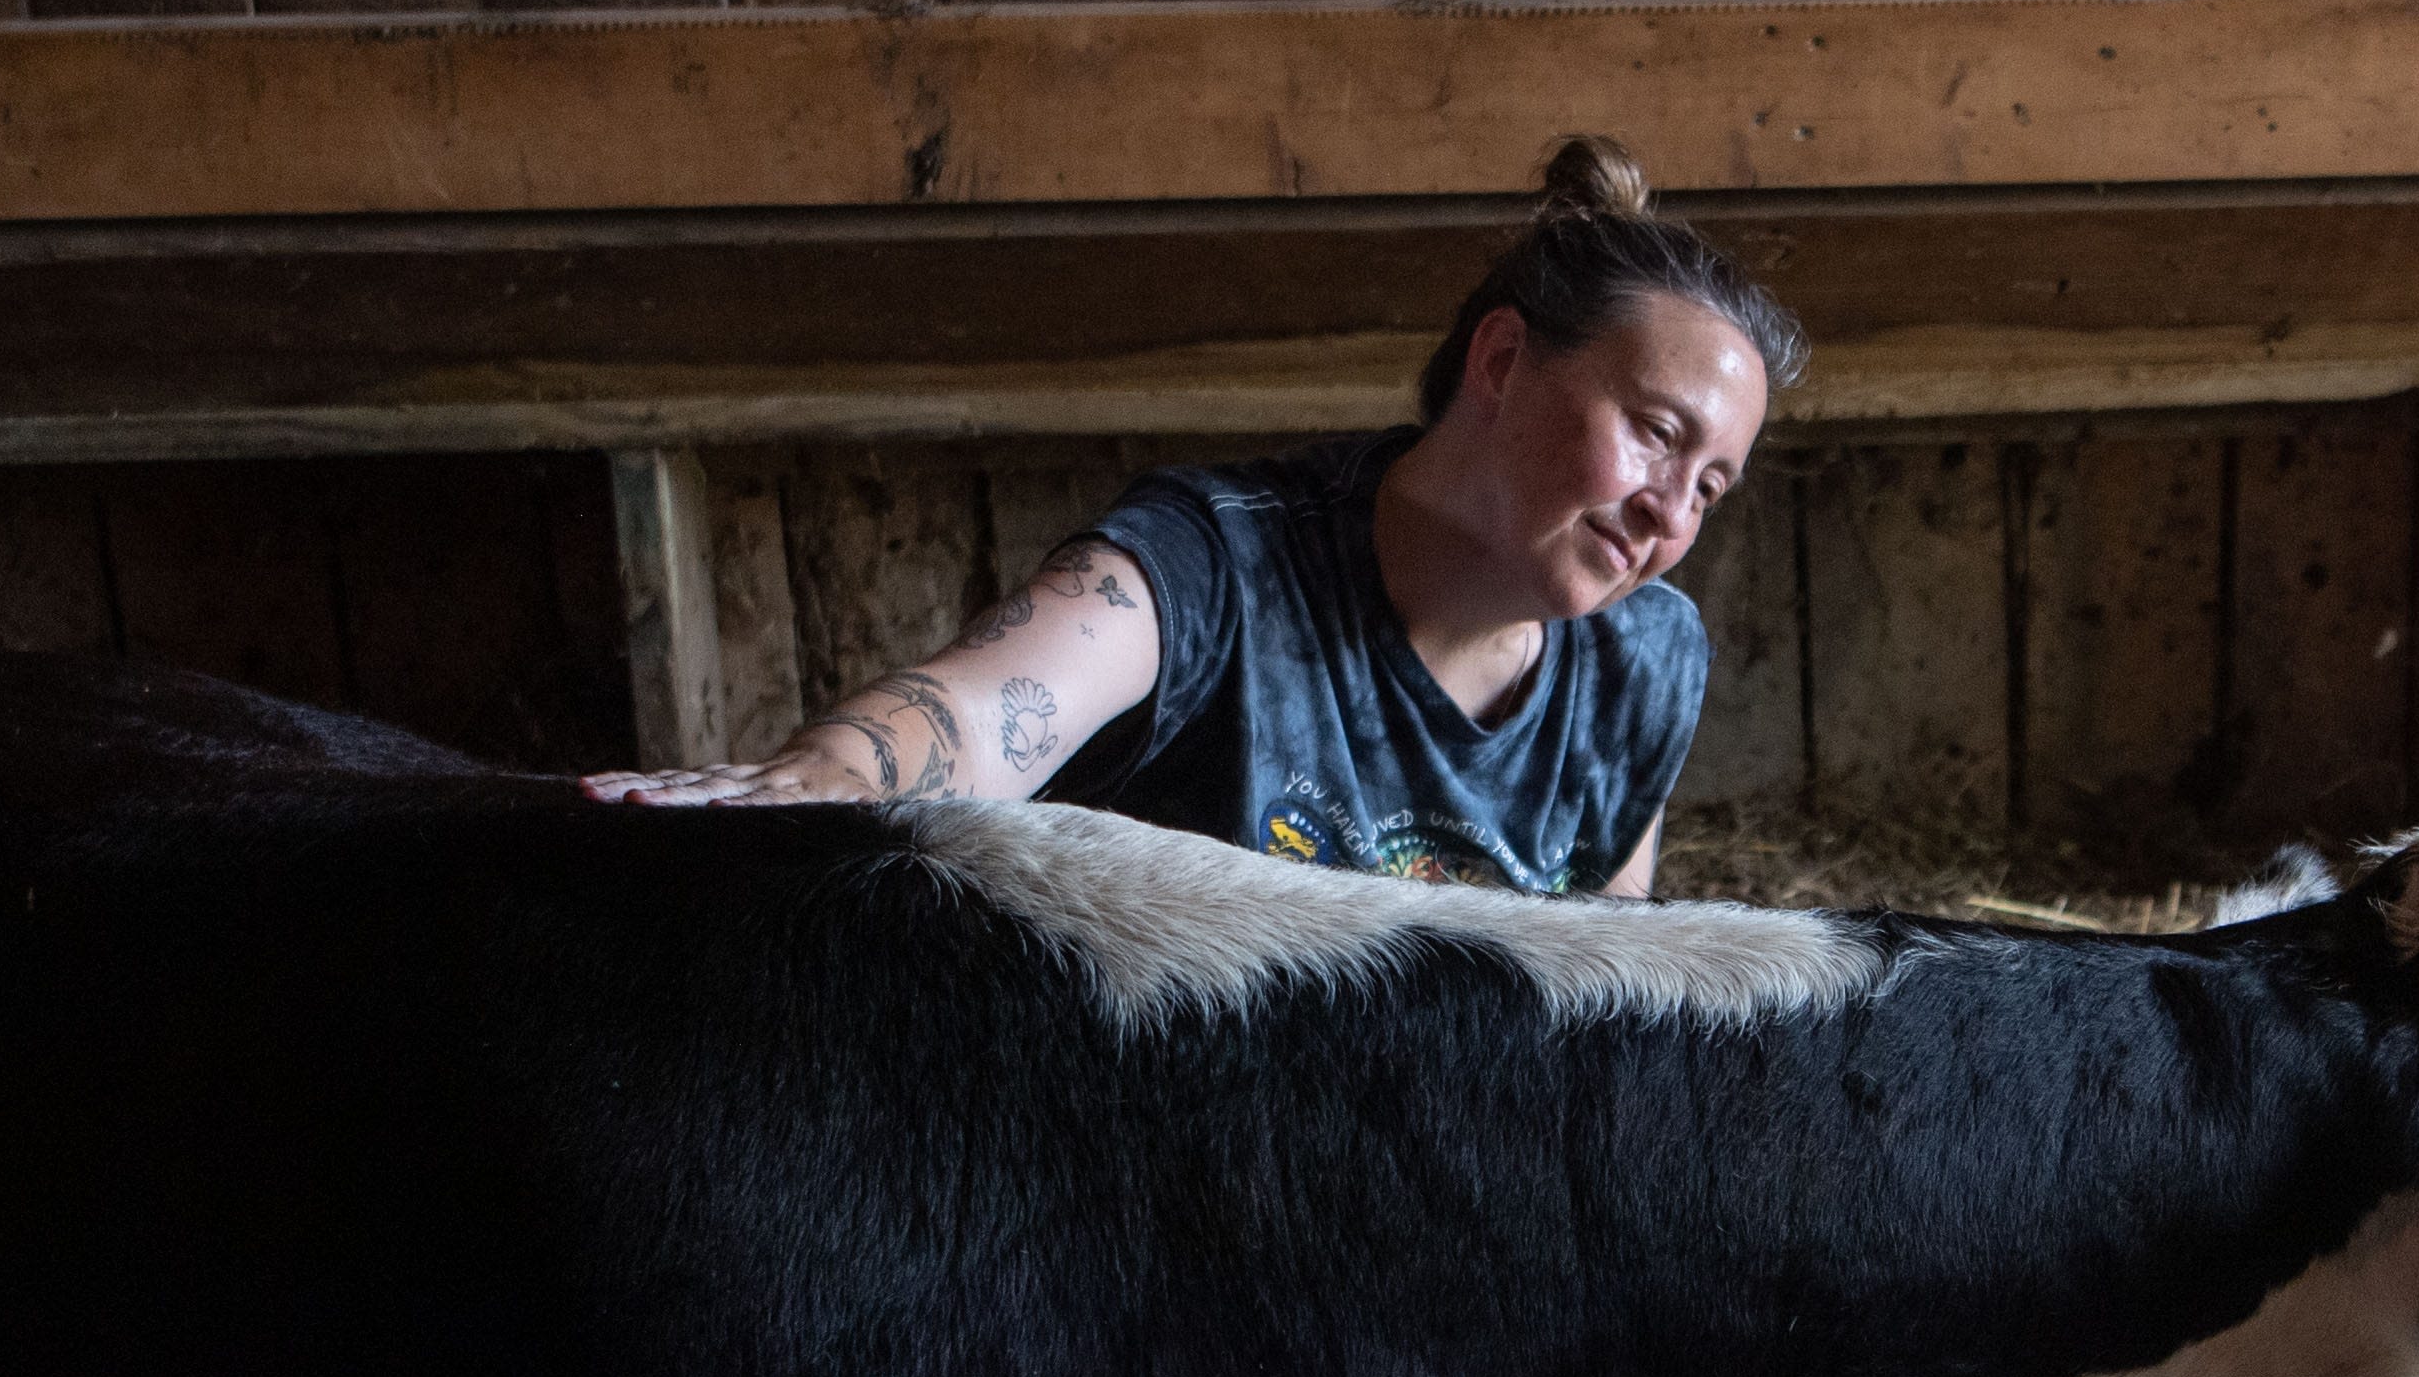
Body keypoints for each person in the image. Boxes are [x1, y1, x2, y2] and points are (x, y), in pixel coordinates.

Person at [592, 138, 1802, 897]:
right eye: (1656, 432)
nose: (1669, 512)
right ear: (1501, 361)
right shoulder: (1215, 562)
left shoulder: (1649, 658)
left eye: (1710, 485)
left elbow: (1612, 958)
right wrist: (820, 780)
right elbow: (979, 706)